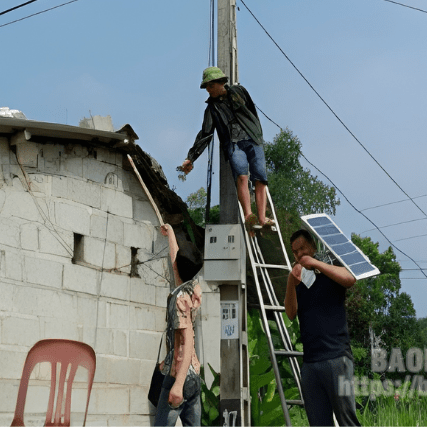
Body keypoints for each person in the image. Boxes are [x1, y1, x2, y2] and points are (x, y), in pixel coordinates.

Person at [284, 229, 361, 426]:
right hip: (310, 363)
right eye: (295, 252)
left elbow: (350, 279)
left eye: (303, 248)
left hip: (337, 357)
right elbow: (291, 313)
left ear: (312, 246)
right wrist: (291, 282)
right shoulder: (299, 279)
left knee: (346, 419)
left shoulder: (330, 268)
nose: (300, 254)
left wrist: (316, 263)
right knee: (317, 422)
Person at [181, 66, 272, 230]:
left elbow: (252, 111)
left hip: (253, 139)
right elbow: (205, 134)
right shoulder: (212, 109)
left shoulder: (239, 92)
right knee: (242, 177)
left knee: (260, 178)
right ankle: (248, 216)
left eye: (210, 86)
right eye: (207, 87)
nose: (208, 90)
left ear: (220, 82)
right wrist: (191, 157)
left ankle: (262, 218)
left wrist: (258, 133)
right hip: (234, 145)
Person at [153, 224, 203, 426]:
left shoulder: (179, 299)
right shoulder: (193, 287)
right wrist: (171, 233)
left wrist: (178, 385)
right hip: (194, 373)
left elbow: (188, 337)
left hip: (178, 374)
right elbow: (177, 263)